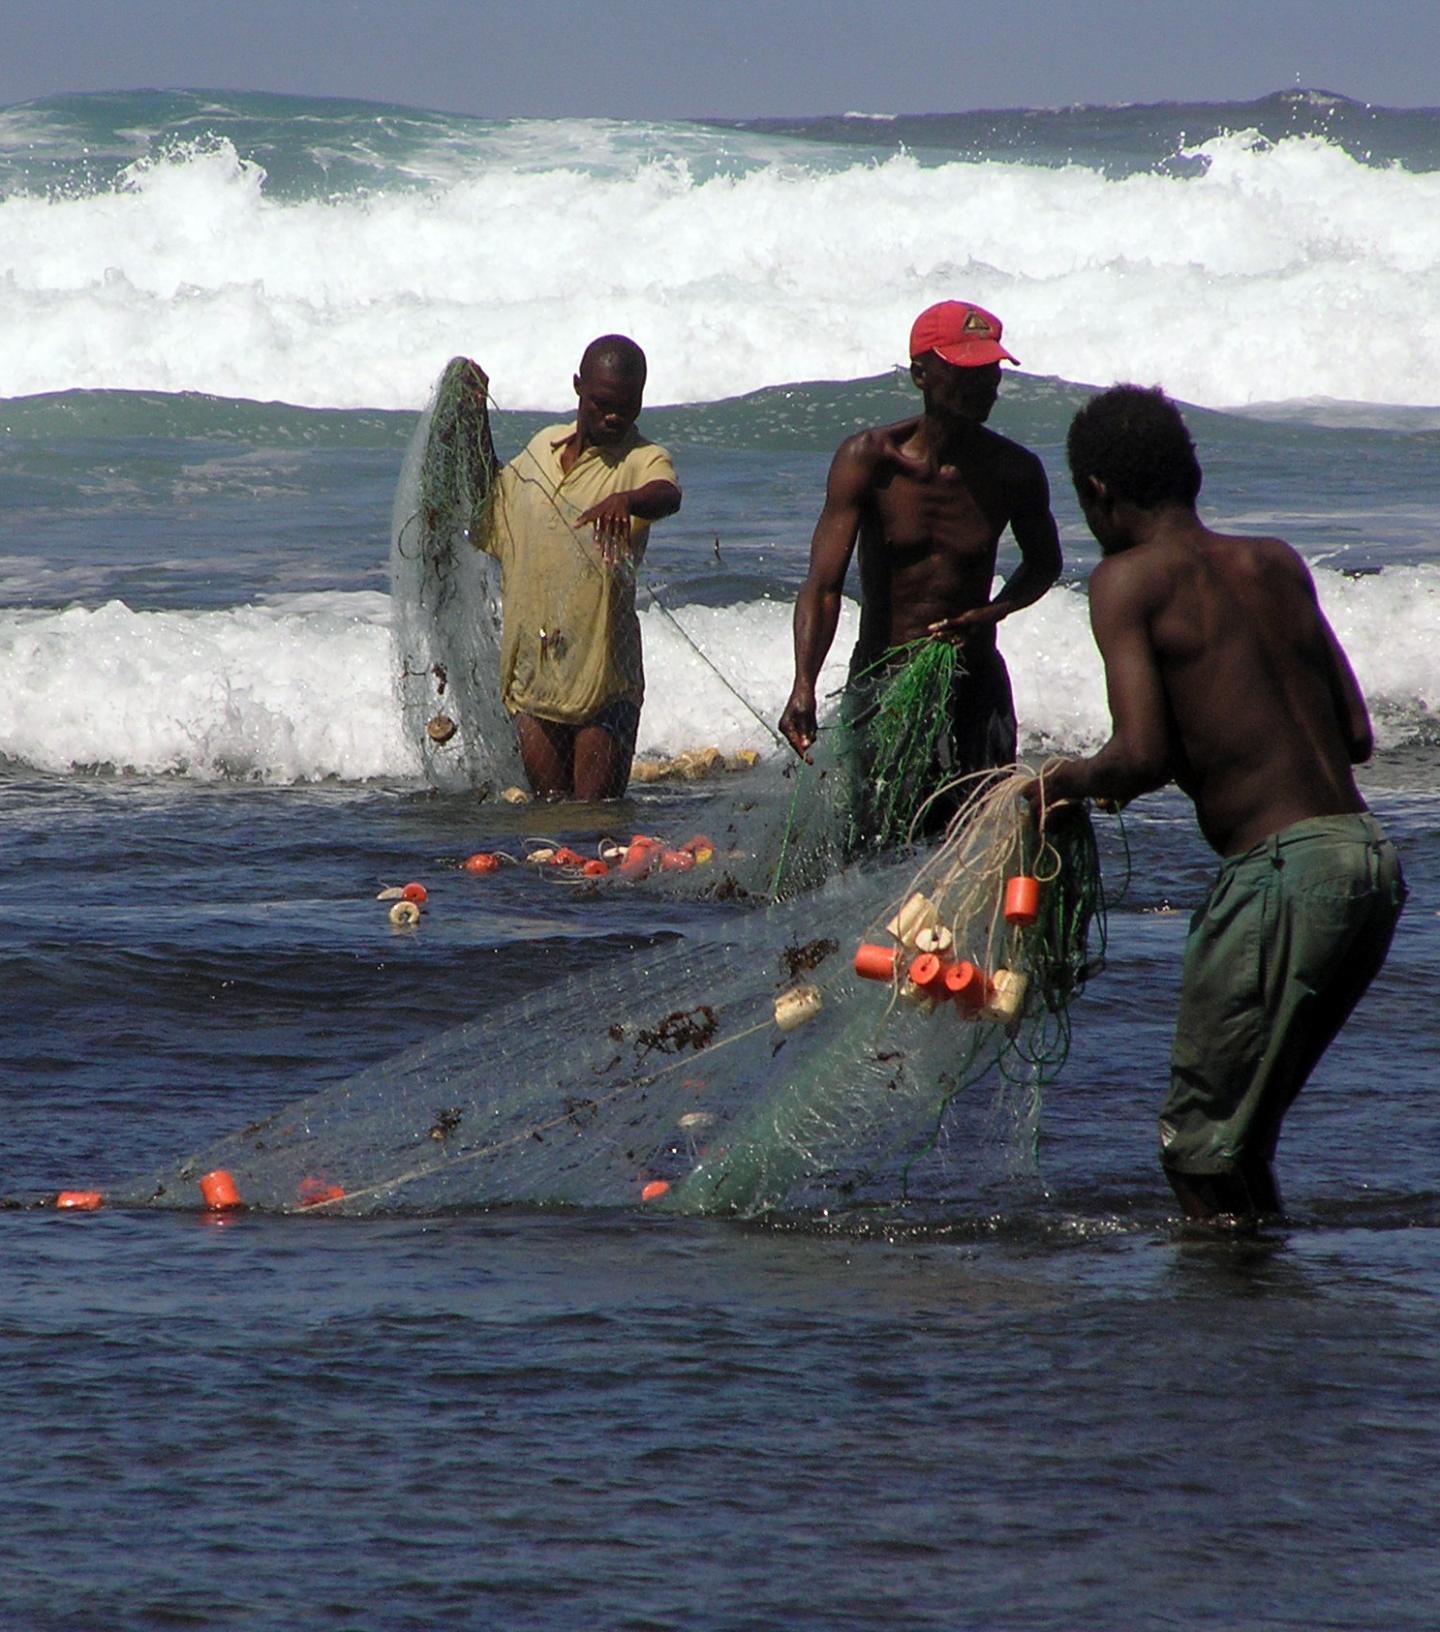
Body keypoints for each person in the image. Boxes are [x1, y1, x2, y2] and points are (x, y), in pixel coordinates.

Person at [1033, 384, 1405, 1223]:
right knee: (1241, 1138)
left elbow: (1138, 755)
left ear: (1097, 492)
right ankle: (1262, 1323)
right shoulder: (1274, 561)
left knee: (1199, 1150)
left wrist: (1057, 782)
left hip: (1279, 879)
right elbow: (1354, 735)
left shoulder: (1128, 583)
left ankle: (1218, 1342)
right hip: (1368, 861)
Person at [778, 300, 1061, 844]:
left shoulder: (1014, 470)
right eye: (967, 370)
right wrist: (804, 685)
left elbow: (1044, 562)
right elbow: (823, 585)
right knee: (876, 837)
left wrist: (994, 612)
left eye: (992, 370)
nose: (985, 385)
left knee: (979, 837)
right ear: (921, 374)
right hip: (884, 680)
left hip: (975, 682)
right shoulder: (869, 459)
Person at [466, 335, 681, 800]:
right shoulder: (543, 447)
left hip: (604, 681)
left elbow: (668, 495)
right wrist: (472, 418)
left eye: (629, 405)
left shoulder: (642, 459)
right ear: (578, 387)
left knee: (594, 823)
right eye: (603, 403)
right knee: (549, 817)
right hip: (535, 676)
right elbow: (495, 504)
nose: (615, 416)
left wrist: (627, 499)